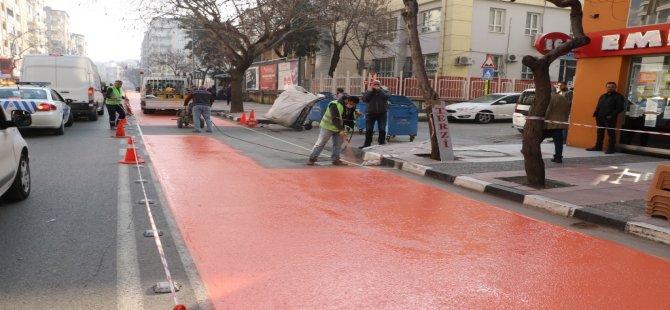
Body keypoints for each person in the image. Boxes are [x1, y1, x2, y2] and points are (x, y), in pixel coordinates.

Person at [307, 96, 359, 166]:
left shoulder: (351, 107)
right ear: (347, 100)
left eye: (353, 105)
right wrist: (341, 130)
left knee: (338, 144)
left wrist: (356, 114)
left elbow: (347, 116)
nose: (351, 106)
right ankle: (312, 159)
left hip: (339, 128)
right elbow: (335, 118)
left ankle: (335, 159)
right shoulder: (334, 105)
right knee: (321, 143)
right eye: (351, 104)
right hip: (327, 127)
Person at [587, 81, 625, 154]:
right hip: (599, 117)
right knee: (600, 132)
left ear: (615, 87)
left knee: (611, 133)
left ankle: (611, 149)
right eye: (608, 87)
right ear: (606, 87)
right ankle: (598, 147)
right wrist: (596, 114)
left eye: (612, 87)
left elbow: (620, 108)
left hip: (610, 118)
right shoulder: (603, 96)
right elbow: (599, 106)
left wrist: (611, 115)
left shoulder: (619, 96)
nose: (610, 88)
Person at [359, 80, 390, 149]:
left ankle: (381, 143)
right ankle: (367, 144)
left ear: (380, 85)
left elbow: (386, 97)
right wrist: (370, 91)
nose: (376, 85)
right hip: (371, 113)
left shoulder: (384, 91)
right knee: (369, 129)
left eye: (377, 84)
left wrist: (379, 90)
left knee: (382, 129)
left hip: (382, 113)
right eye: (374, 84)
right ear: (372, 84)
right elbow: (364, 99)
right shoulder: (369, 91)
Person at [542, 93, 570, 163]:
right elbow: (567, 110)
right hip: (560, 123)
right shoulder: (563, 98)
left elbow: (547, 110)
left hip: (550, 123)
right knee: (559, 142)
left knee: (538, 139)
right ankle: (558, 157)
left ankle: (532, 153)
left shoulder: (550, 98)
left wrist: (543, 120)